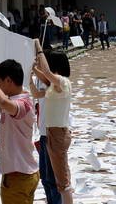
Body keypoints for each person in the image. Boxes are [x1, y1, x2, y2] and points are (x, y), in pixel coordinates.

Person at [0, 57, 38, 204]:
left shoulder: (22, 104)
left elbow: (3, 101)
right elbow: (1, 102)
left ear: (9, 81)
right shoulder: (16, 102)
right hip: (22, 174)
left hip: (18, 176)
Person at [33, 41, 73, 204]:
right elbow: (40, 82)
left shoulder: (62, 83)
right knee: (46, 177)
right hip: (47, 134)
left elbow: (47, 72)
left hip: (56, 135)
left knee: (59, 181)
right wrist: (33, 69)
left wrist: (39, 48)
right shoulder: (51, 86)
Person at [28, 63, 59, 204]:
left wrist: (35, 67)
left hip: (52, 135)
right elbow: (35, 94)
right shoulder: (41, 81)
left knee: (52, 178)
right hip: (43, 134)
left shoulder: (57, 85)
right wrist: (30, 75)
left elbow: (47, 77)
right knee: (45, 177)